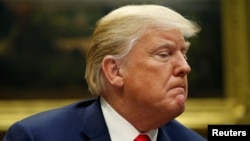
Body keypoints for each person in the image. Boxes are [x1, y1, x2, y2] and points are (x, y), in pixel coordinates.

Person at [3, 4, 207, 141]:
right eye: (164, 54)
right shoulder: (38, 137)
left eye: (184, 53)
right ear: (115, 71)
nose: (185, 67)